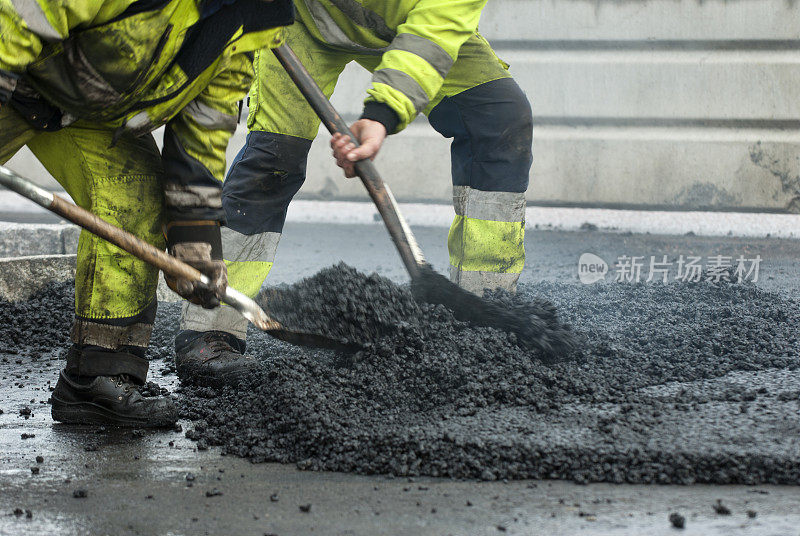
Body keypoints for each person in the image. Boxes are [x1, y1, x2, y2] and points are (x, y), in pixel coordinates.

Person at [177, 0, 533, 386]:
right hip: (299, 17)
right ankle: (210, 327)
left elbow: (439, 23)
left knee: (500, 119)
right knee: (274, 156)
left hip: (407, 25)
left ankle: (484, 310)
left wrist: (383, 112)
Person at [0, 0, 293, 426]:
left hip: (83, 107)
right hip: (14, 71)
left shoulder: (255, 17)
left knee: (135, 199)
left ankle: (97, 375)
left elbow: (204, 126)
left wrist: (195, 242)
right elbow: (22, 12)